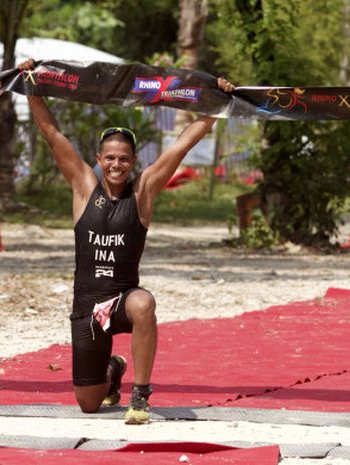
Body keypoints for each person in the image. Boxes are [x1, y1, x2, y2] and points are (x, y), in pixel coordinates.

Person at [19, 58, 234, 424]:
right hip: (88, 307)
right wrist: (31, 87)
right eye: (110, 158)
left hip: (123, 300)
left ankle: (140, 393)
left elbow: (180, 146)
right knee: (89, 403)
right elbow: (52, 134)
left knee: (145, 303)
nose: (116, 165)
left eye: (123, 159)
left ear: (133, 161)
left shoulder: (143, 190)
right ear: (98, 159)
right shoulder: (83, 187)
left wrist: (215, 107)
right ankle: (113, 371)